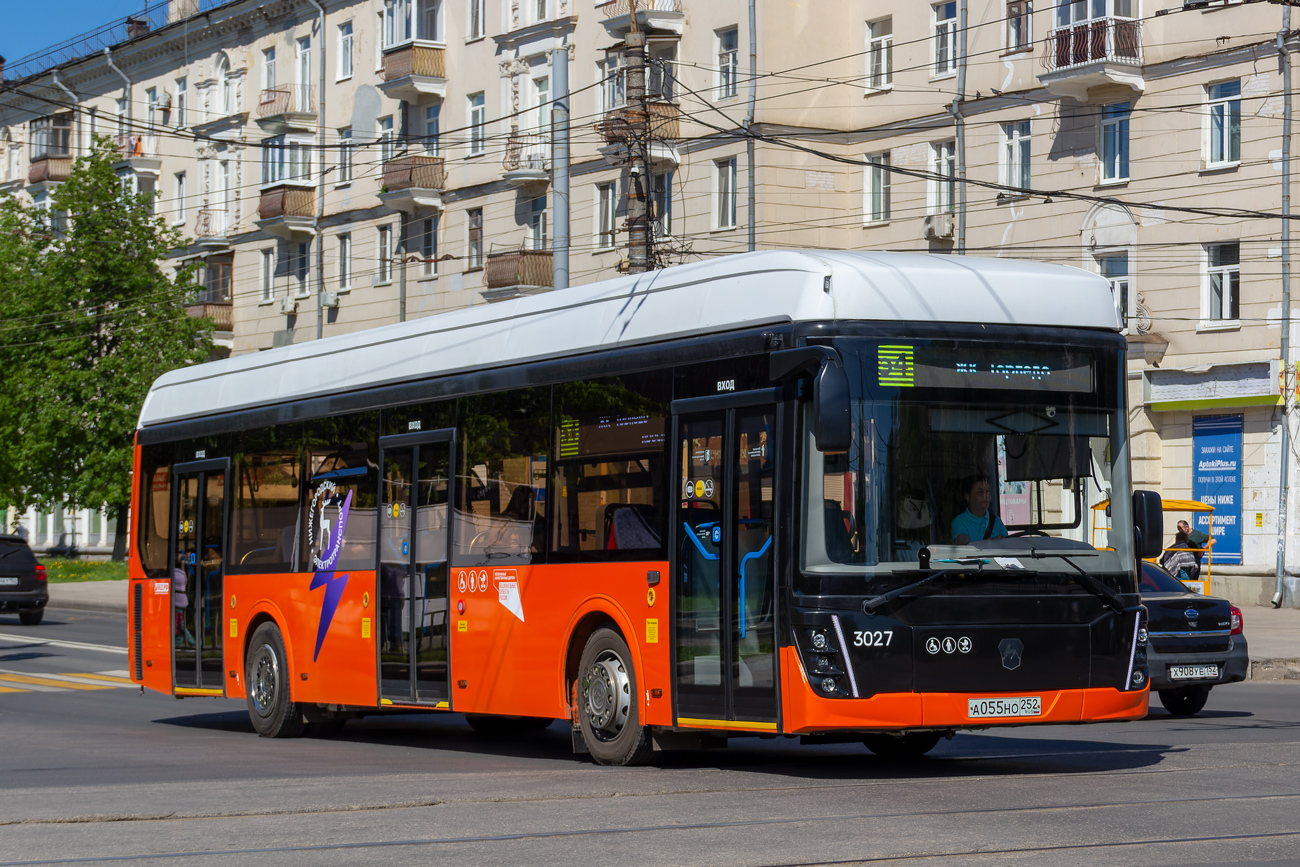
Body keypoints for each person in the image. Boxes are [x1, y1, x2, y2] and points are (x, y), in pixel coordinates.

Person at [950, 474, 1007, 544]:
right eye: (980, 492)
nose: (985, 496)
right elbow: (967, 548)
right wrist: (992, 542)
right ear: (967, 496)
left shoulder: (996, 521)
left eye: (988, 492)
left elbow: (1007, 545)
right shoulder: (959, 522)